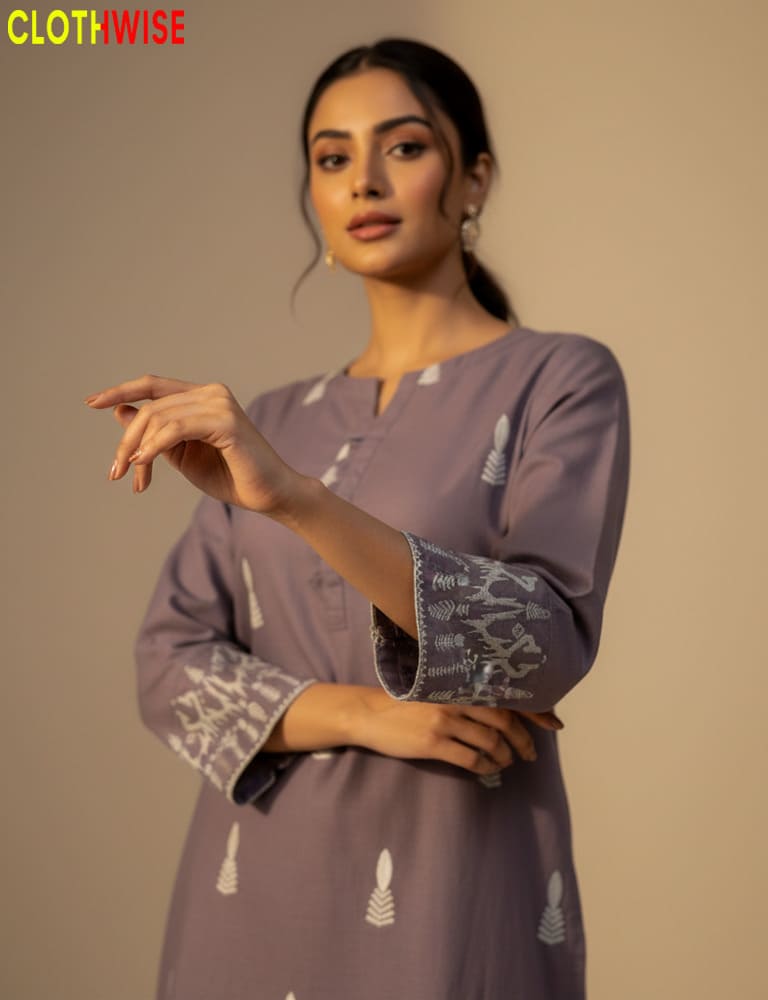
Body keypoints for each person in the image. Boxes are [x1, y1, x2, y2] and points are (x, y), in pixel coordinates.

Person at [86, 37, 630, 1000]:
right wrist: (370, 715)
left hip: (455, 891)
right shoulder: (279, 417)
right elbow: (167, 664)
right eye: (332, 158)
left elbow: (545, 641)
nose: (364, 181)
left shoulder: (562, 377)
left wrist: (296, 498)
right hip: (250, 894)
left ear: (474, 181)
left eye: (405, 147)